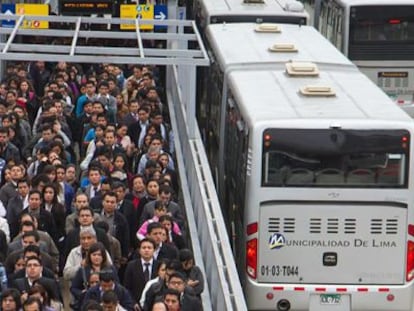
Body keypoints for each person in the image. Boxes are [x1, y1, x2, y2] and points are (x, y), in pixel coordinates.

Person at [70, 242, 118, 311]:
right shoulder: (83, 270)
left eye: (99, 255)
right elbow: (73, 288)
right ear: (89, 256)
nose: (96, 257)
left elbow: (117, 284)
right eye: (94, 255)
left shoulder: (111, 269)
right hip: (89, 302)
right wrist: (82, 293)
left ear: (103, 256)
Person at [124, 238, 157, 305]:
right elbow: (127, 287)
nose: (146, 250)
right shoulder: (131, 265)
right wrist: (133, 303)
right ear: (139, 250)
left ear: (154, 250)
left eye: (149, 248)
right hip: (136, 304)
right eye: (144, 248)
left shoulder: (159, 265)